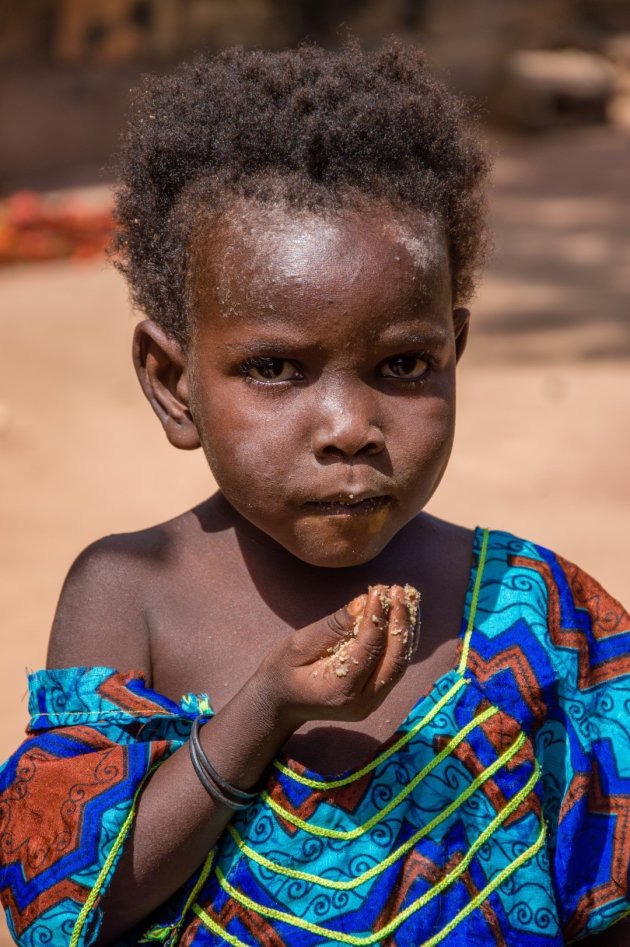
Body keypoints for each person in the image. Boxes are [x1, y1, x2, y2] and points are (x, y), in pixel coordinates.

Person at [0, 41, 628, 947]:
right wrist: (262, 710)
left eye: (404, 364)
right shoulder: (129, 594)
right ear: (173, 385)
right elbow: (70, 908)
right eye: (276, 369)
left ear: (456, 348)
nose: (348, 425)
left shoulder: (541, 615)